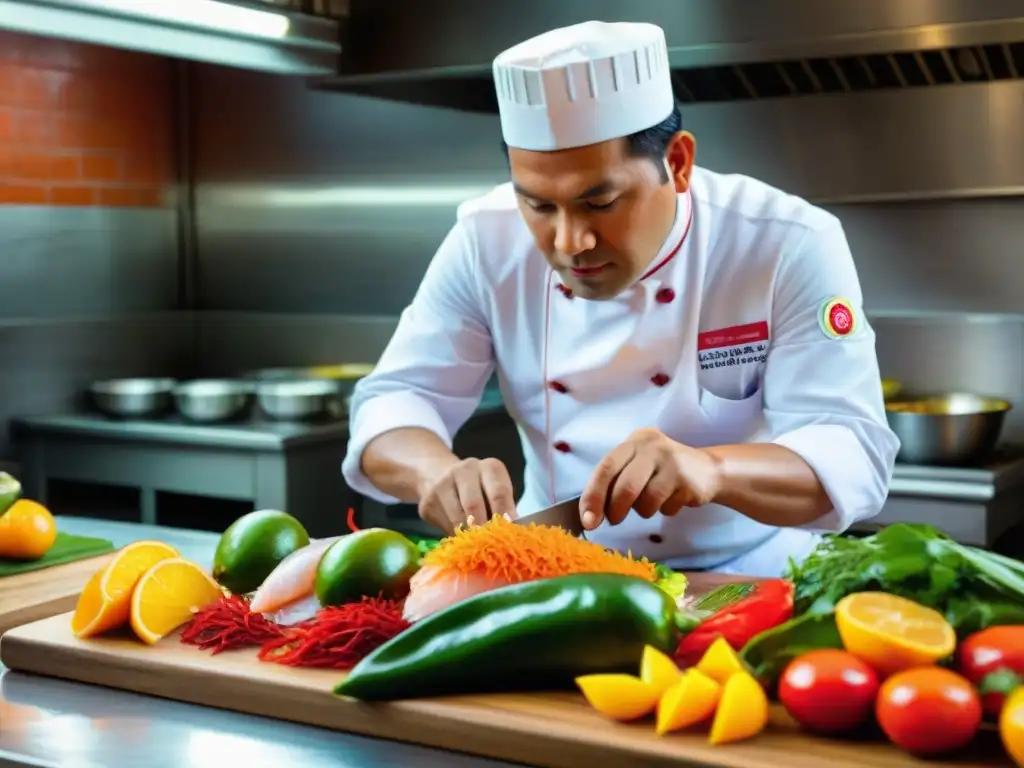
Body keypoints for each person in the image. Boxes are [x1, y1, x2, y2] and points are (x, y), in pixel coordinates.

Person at [341, 20, 900, 577]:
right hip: (557, 576)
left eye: (601, 202)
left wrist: (712, 470)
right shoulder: (485, 241)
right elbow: (396, 401)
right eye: (537, 205)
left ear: (677, 163)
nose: (569, 242)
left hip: (748, 580)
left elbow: (849, 449)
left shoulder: (783, 241)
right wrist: (434, 472)